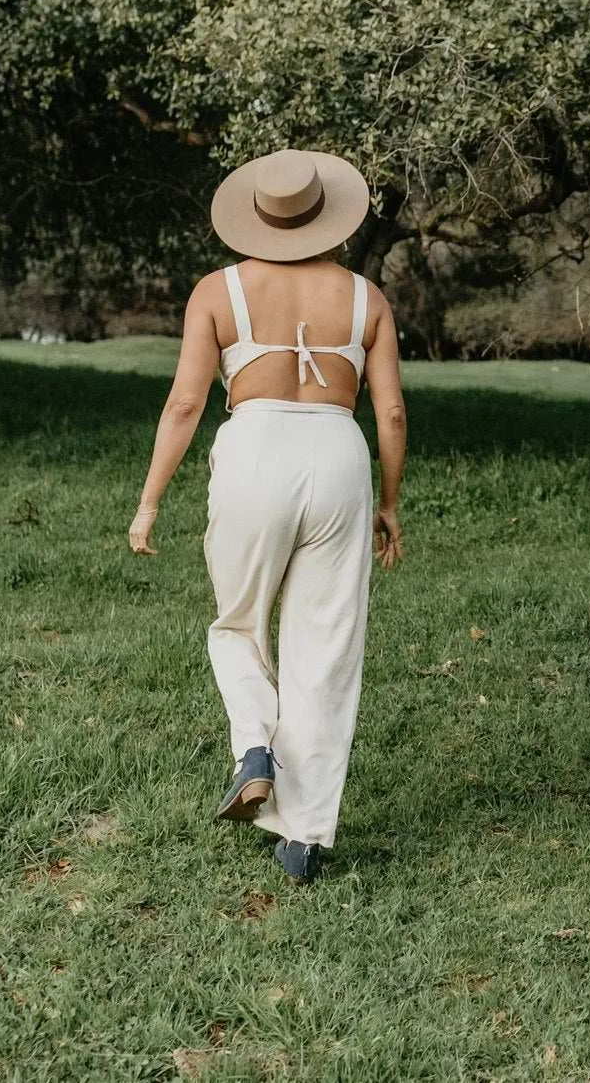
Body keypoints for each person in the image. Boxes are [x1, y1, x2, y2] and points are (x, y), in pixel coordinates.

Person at [127, 149, 406, 885]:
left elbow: (186, 402)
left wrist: (150, 499)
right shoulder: (367, 298)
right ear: (330, 217)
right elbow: (394, 412)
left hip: (254, 449)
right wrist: (389, 501)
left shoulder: (218, 291)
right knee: (326, 646)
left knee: (238, 620)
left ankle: (253, 748)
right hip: (339, 456)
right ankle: (304, 836)